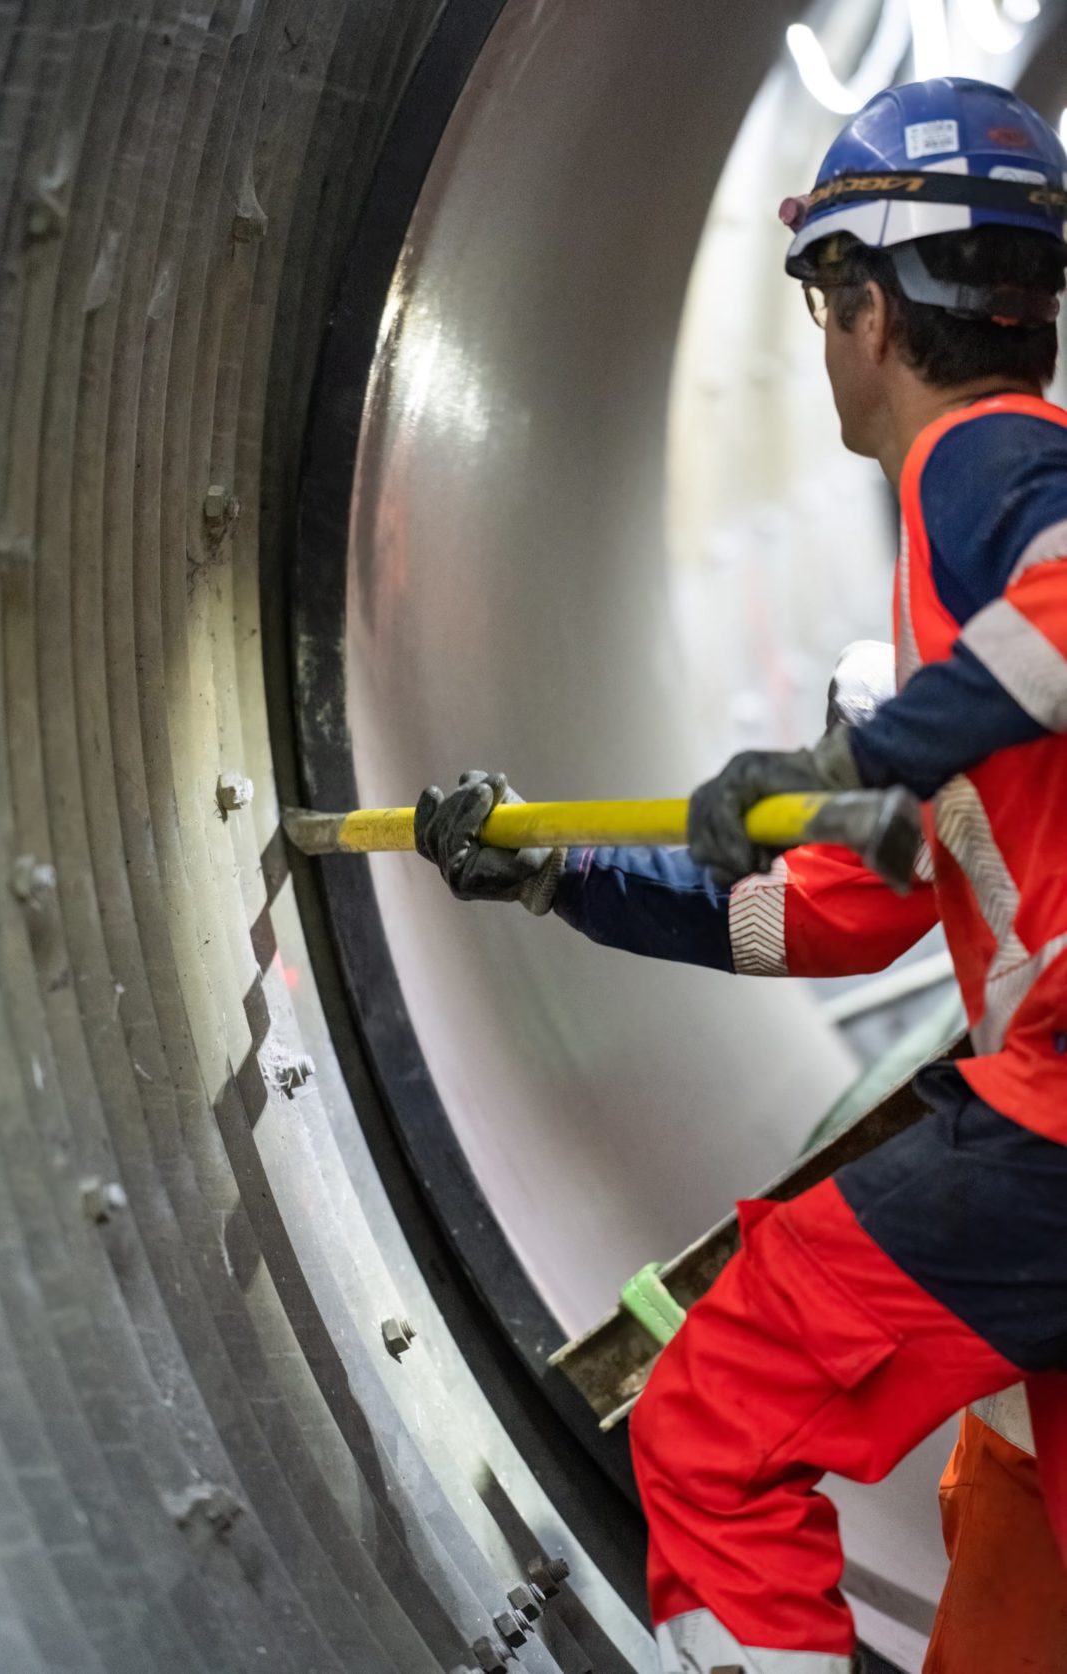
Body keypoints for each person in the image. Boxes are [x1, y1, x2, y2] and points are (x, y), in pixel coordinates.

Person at [414, 78, 1067, 1674]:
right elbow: (838, 907)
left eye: (824, 296)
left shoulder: (986, 464)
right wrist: (564, 872)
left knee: (717, 1415)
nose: (824, 337)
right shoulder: (967, 625)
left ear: (870, 299)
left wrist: (855, 760)